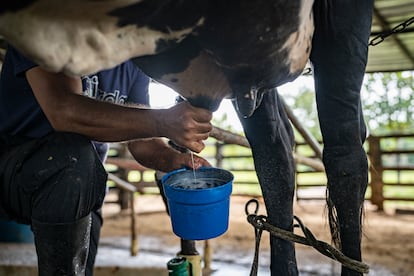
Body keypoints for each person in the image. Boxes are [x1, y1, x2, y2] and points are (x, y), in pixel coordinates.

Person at [0, 45, 212, 275]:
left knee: (83, 179)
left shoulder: (134, 61)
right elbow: (65, 111)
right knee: (73, 154)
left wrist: (172, 159)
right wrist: (164, 122)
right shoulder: (46, 28)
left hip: (80, 187)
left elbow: (142, 142)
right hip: (14, 169)